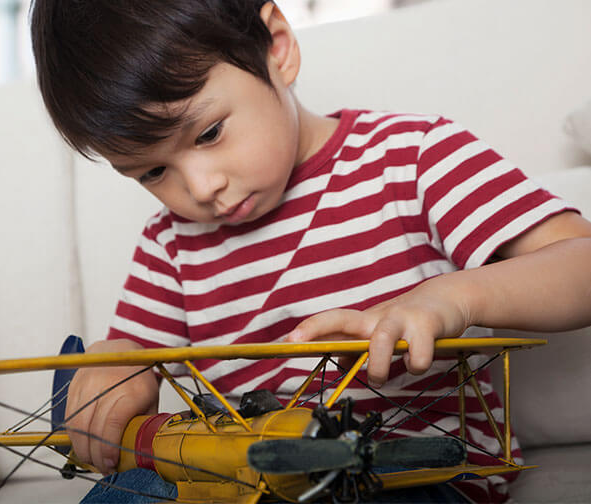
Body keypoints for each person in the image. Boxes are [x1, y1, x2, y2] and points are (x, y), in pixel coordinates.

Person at [30, 0, 591, 501]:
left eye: (208, 134)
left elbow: (580, 263)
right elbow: (135, 353)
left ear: (277, 48)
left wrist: (453, 298)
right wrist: (115, 367)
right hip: (251, 481)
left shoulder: (413, 159)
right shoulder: (168, 245)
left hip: (415, 476)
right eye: (153, 171)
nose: (200, 188)